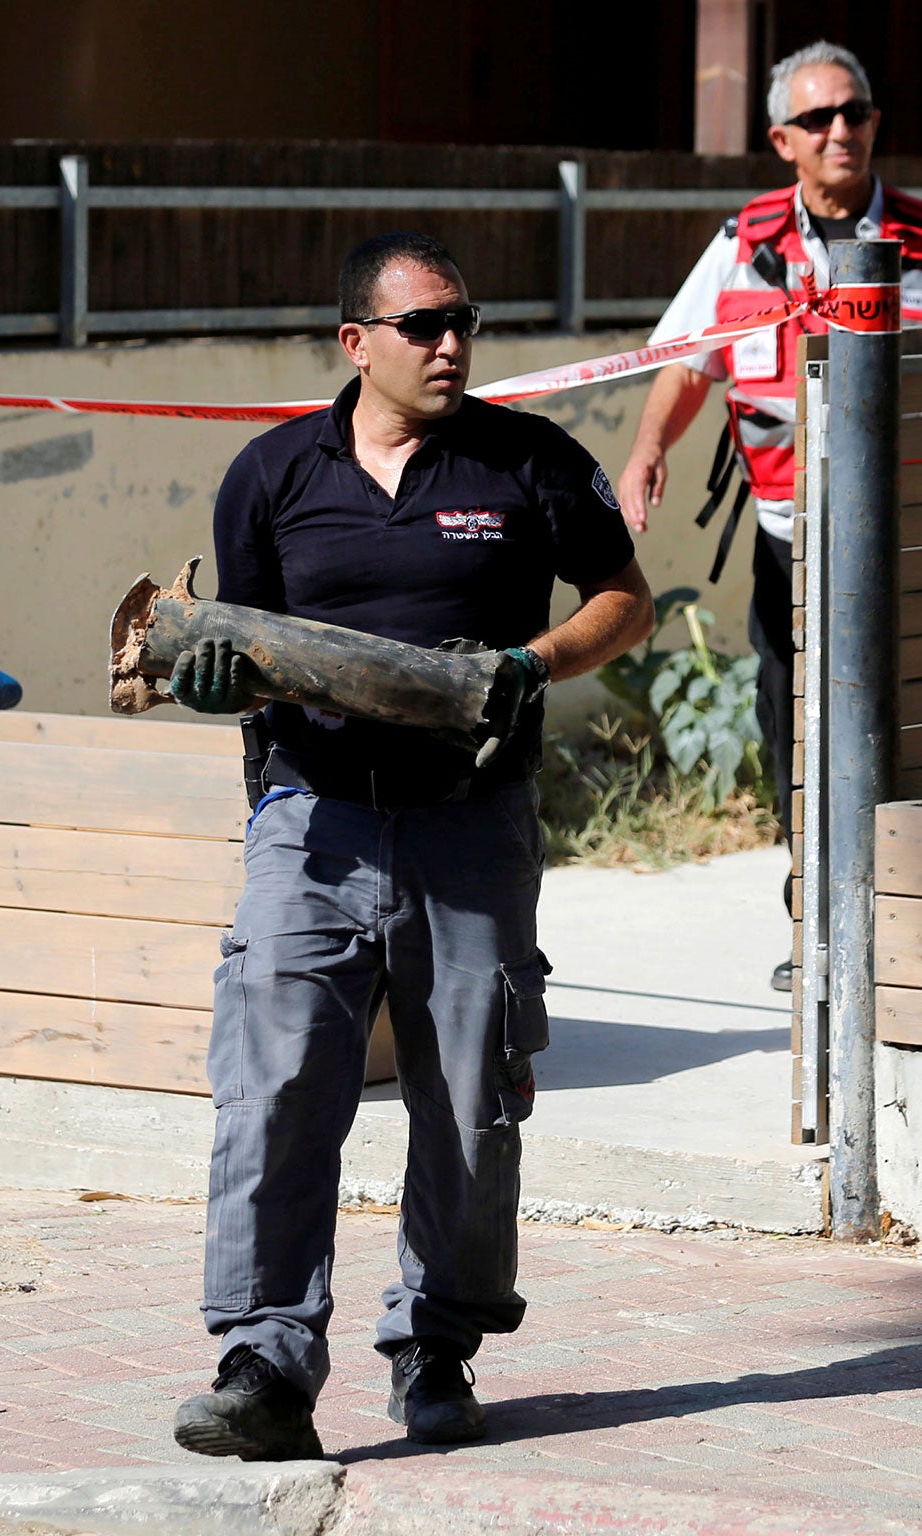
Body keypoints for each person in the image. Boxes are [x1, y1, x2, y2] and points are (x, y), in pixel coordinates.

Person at [167, 232, 654, 1460]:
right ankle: (263, 1369)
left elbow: (623, 600)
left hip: (468, 826)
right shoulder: (271, 474)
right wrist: (213, 683)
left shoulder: (527, 461)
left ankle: (435, 1349)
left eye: (462, 323)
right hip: (310, 824)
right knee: (271, 1095)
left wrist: (529, 663)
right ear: (355, 343)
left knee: (471, 1103)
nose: (450, 345)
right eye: (423, 326)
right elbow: (247, 649)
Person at [617, 40, 922, 992]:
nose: (840, 132)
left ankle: (910, 918)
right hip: (793, 541)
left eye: (853, 113)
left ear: (873, 124)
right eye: (817, 119)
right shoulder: (744, 242)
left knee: (904, 726)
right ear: (783, 139)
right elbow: (690, 360)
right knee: (801, 732)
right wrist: (649, 447)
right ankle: (815, 919)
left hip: (906, 542)